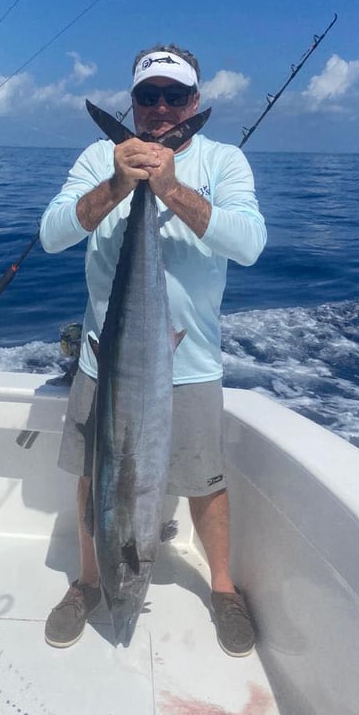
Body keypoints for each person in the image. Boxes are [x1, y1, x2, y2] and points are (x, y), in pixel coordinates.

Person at [39, 44, 267, 657]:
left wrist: (168, 185)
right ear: (132, 103)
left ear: (194, 101)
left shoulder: (223, 160)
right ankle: (90, 582)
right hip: (106, 362)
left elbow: (248, 244)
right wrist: (120, 182)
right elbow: (53, 234)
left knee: (204, 480)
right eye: (148, 96)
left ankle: (222, 590)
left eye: (174, 96)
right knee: (97, 474)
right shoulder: (98, 156)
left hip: (188, 364)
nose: (161, 108)